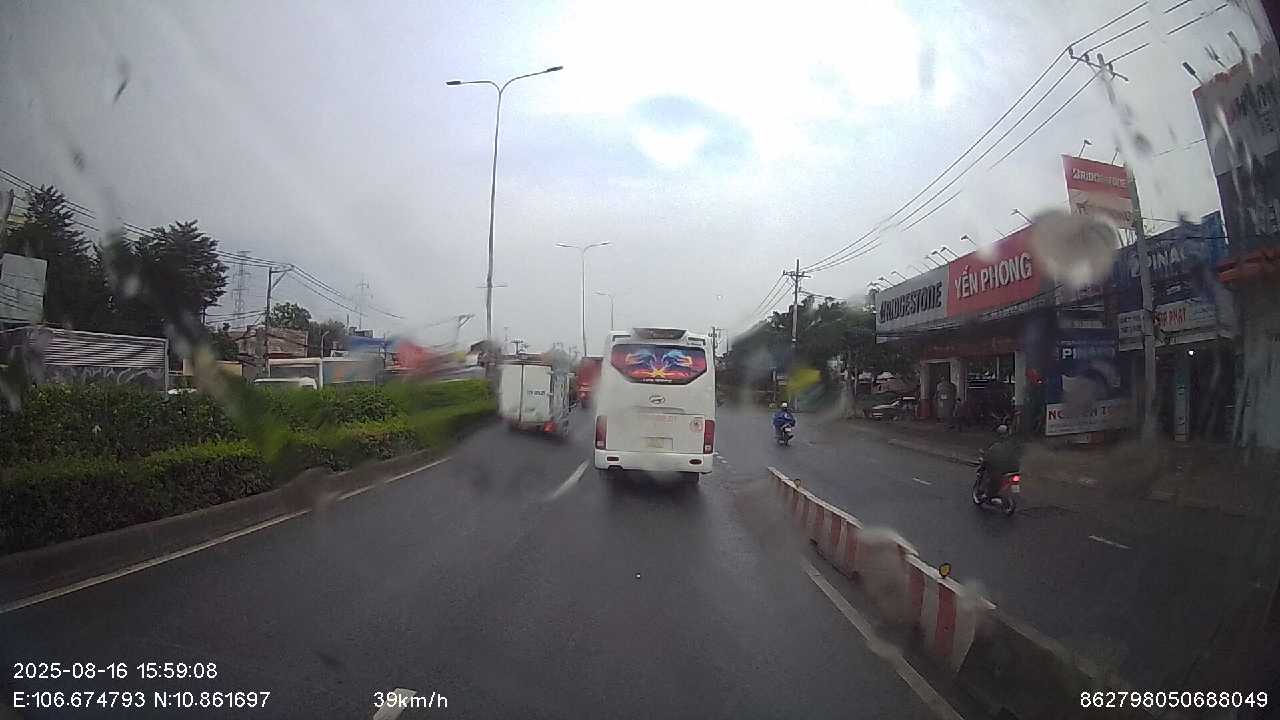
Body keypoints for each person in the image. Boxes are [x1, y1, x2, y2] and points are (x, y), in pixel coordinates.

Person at [980, 424, 1023, 498]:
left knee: (993, 477)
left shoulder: (997, 445)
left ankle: (989, 495)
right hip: (1015, 468)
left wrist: (986, 459)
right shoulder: (1014, 443)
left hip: (1002, 469)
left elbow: (989, 456)